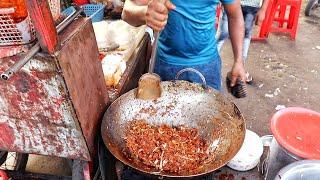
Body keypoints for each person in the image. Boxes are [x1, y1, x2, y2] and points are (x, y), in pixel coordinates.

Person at [122, 0, 246, 90]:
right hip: (164, 64)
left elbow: (235, 15)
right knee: (160, 121)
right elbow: (127, 12)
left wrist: (239, 61)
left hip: (207, 65)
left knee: (210, 120)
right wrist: (144, 12)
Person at [217, 0, 269, 83]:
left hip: (252, 5)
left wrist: (263, 9)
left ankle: (240, 69)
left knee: (246, 36)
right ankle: (210, 65)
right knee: (223, 34)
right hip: (231, 3)